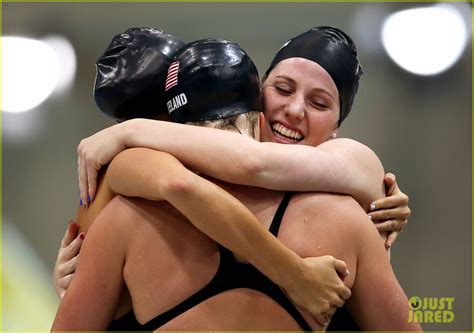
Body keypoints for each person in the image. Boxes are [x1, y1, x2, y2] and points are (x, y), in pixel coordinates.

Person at [52, 37, 420, 331]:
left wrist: (130, 133)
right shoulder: (344, 217)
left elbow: (248, 164)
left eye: (319, 102)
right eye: (283, 88)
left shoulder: (129, 208)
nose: (294, 110)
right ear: (259, 106)